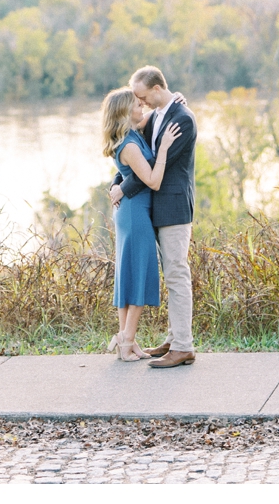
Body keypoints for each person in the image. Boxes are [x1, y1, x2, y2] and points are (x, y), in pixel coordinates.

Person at [109, 65, 198, 367]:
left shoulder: (182, 120)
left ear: (157, 90)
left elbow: (156, 169)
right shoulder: (155, 117)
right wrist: (117, 183)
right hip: (151, 210)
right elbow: (130, 154)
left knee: (176, 274)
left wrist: (123, 188)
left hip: (172, 208)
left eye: (142, 97)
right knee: (169, 275)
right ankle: (173, 339)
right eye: (136, 100)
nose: (140, 103)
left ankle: (183, 345)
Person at [101, 87, 181, 361]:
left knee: (128, 275)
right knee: (139, 276)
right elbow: (153, 180)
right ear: (126, 113)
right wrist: (165, 149)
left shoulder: (132, 132)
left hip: (130, 212)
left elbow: (158, 112)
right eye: (137, 105)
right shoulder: (131, 145)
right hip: (135, 215)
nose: (142, 108)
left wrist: (175, 99)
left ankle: (127, 340)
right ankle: (126, 342)